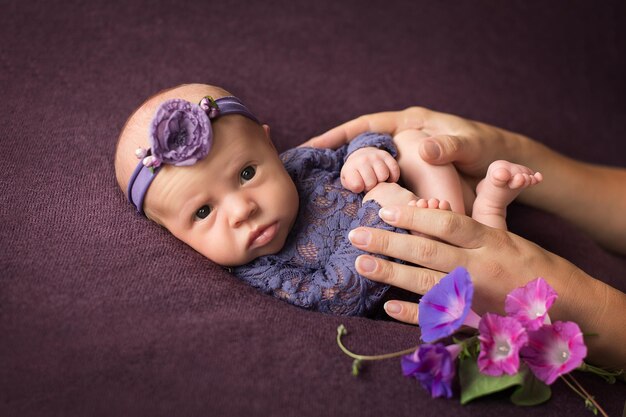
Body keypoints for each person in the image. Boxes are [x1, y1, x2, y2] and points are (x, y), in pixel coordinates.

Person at [114, 84, 540, 316]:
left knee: (410, 141)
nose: (243, 209)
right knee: (438, 240)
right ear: (174, 235)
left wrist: (365, 156)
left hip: (427, 205)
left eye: (247, 174)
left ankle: (477, 219)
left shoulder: (296, 164)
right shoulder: (263, 269)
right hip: (414, 268)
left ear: (270, 147)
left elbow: (353, 146)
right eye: (203, 212)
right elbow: (337, 295)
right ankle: (487, 213)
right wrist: (383, 211)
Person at [304, 107, 626, 369]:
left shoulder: (303, 169)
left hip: (429, 237)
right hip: (437, 230)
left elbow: (356, 149)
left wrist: (589, 308)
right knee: (421, 156)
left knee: (459, 232)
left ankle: (484, 207)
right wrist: (520, 151)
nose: (250, 209)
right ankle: (488, 205)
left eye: (251, 172)